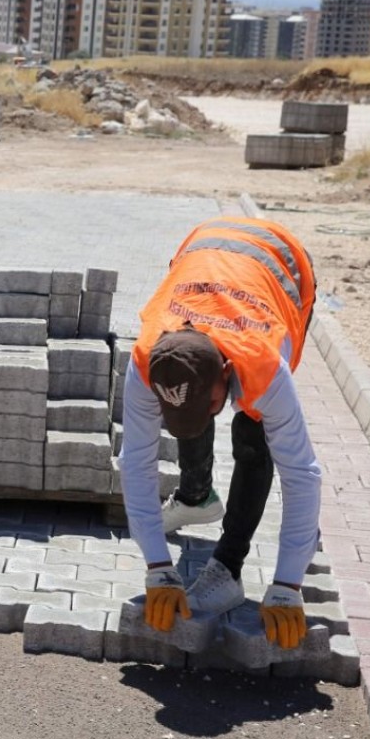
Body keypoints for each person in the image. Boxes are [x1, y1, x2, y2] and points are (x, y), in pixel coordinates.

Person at [119, 217, 320, 651]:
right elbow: (135, 462)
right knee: (189, 403)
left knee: (254, 436)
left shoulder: (266, 369)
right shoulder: (145, 362)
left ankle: (228, 566)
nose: (207, 413)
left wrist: (288, 583)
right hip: (203, 252)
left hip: (285, 274)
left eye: (212, 404)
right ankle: (197, 498)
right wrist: (157, 566)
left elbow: (302, 474)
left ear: (228, 374)